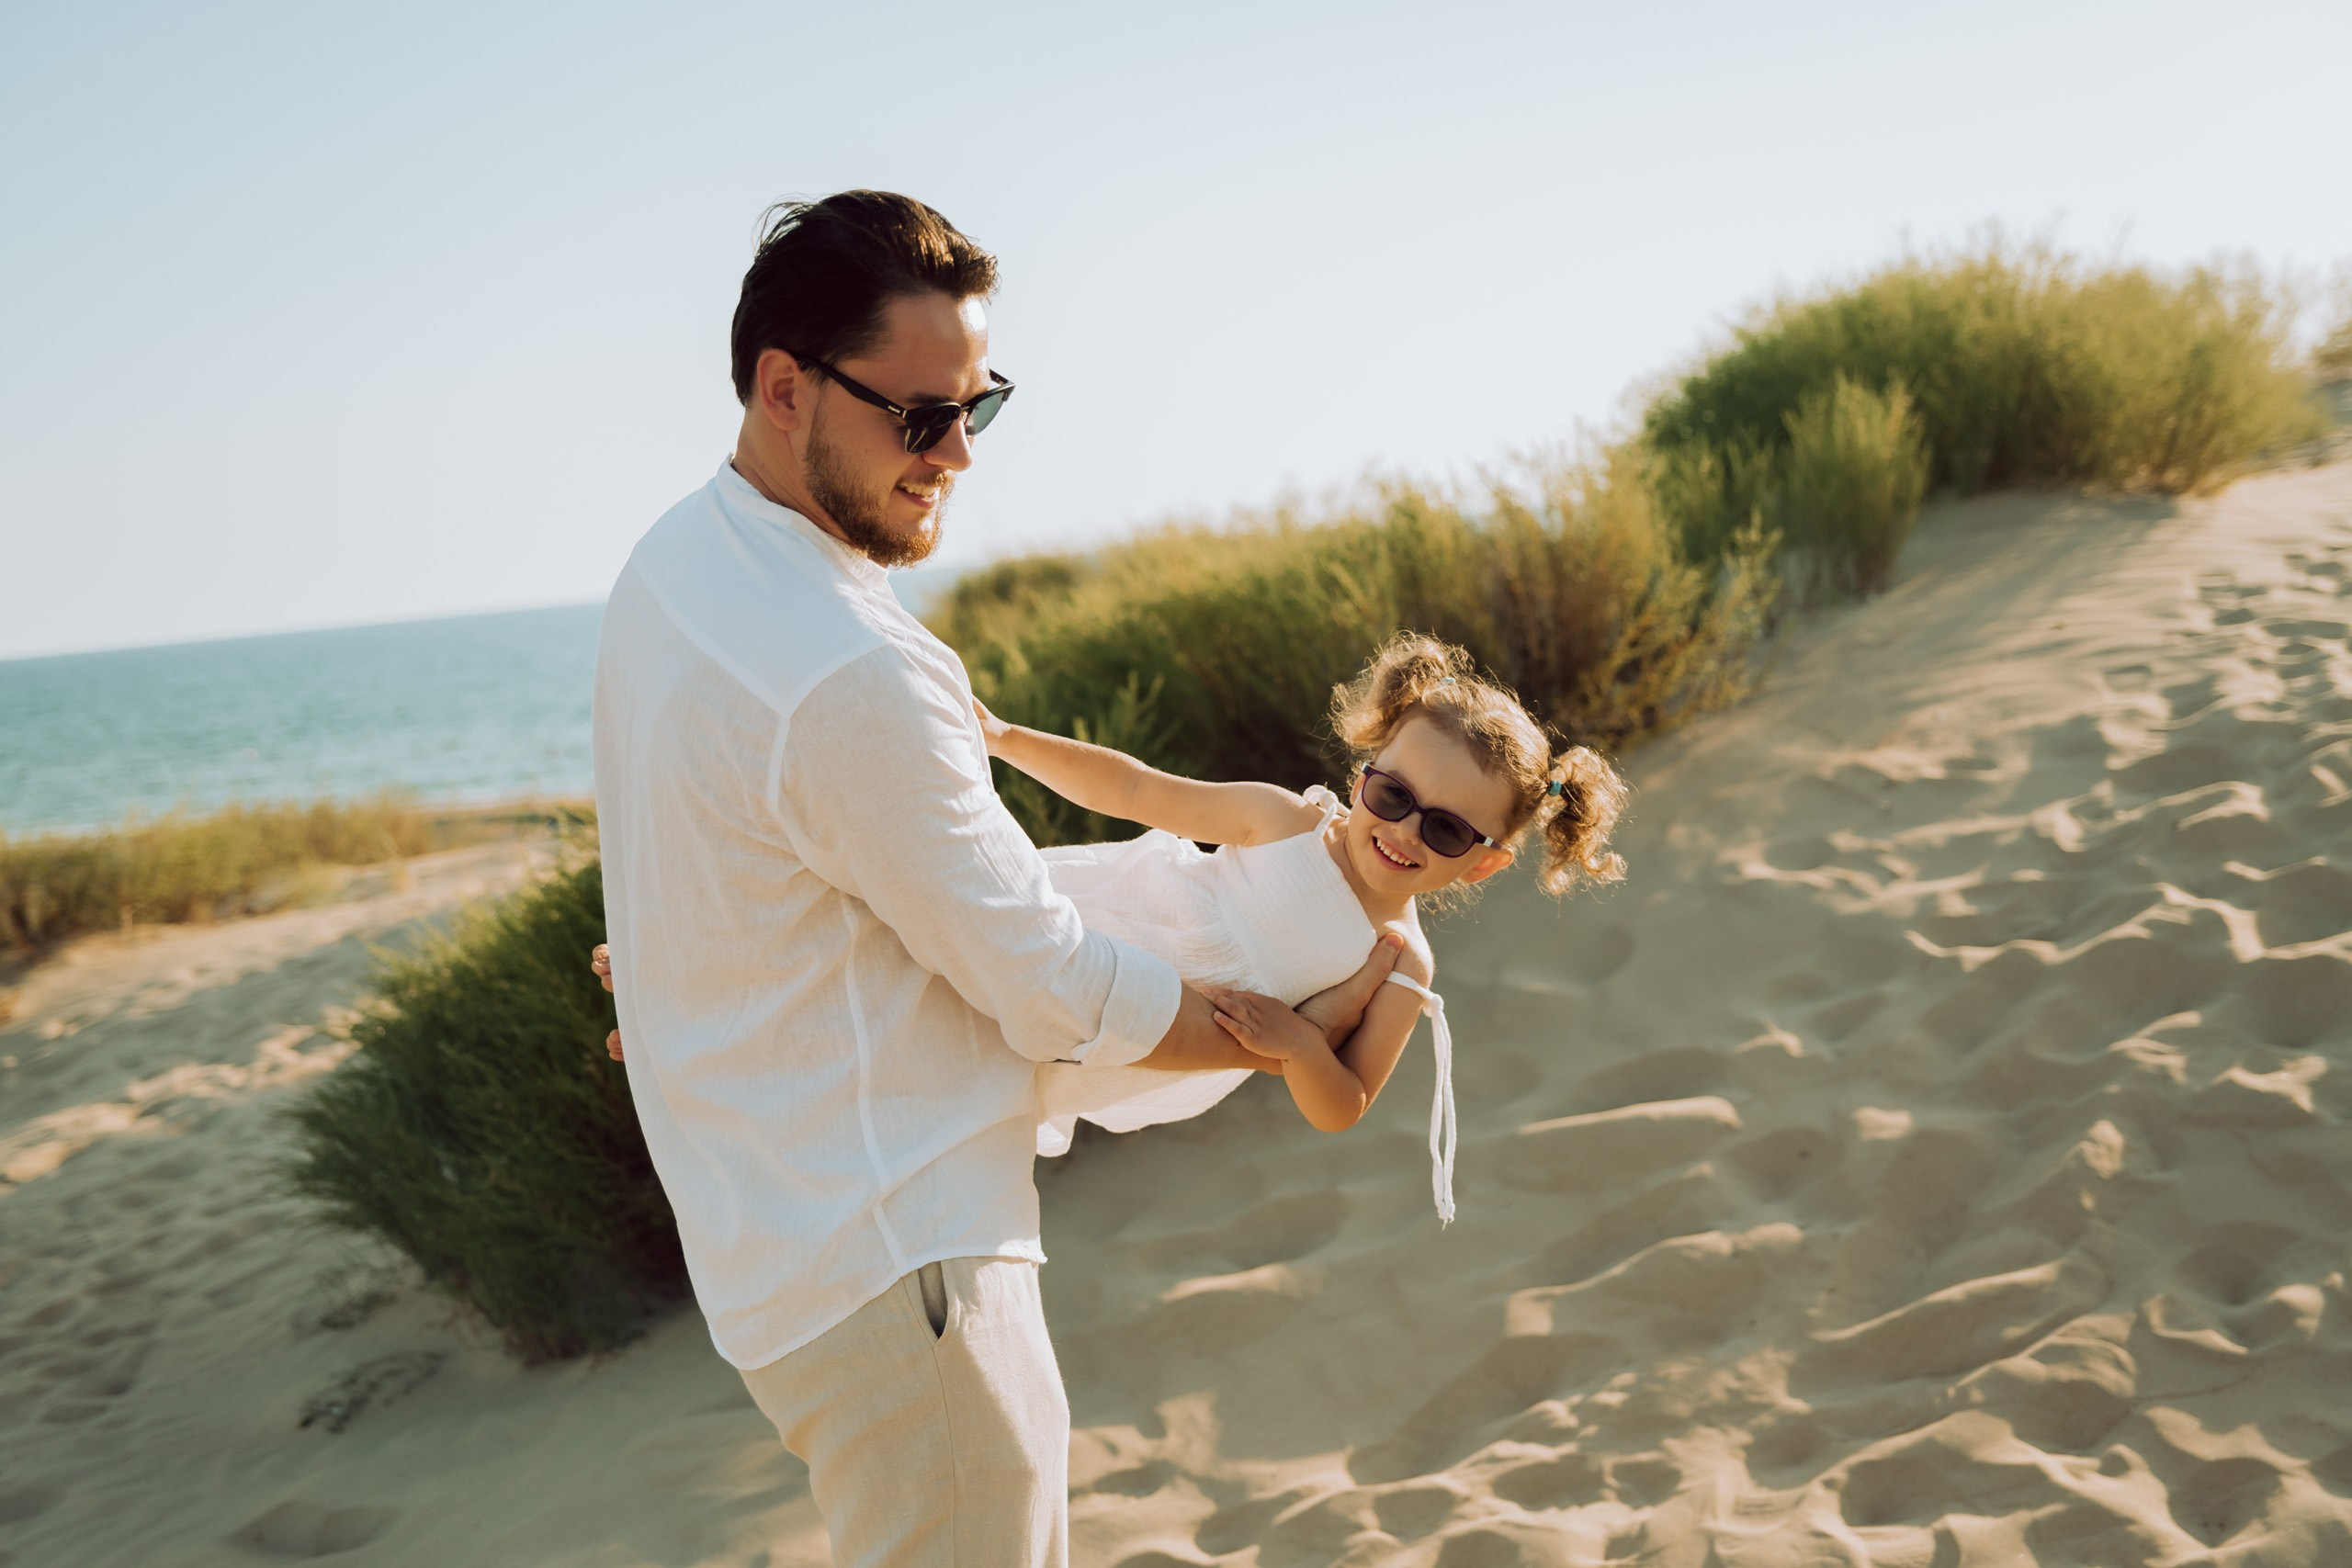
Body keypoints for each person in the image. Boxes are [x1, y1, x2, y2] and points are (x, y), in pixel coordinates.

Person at [590, 190, 1400, 1568]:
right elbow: (1051, 985)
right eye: (919, 415)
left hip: (786, 1249)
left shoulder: (670, 568)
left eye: (981, 405)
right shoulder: (847, 664)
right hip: (906, 1274)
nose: (958, 452)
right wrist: (1272, 1042)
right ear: (784, 387)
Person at [996, 632, 1628, 1224]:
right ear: (1363, 777)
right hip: (1104, 922)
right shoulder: (1283, 821)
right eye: (1392, 796)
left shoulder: (1402, 960)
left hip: (1148, 1034)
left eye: (1447, 829)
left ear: (1483, 862)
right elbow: (1135, 789)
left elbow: (1344, 1102)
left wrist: (1300, 1045)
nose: (1405, 830)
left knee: (993, 1074)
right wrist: (1005, 738)